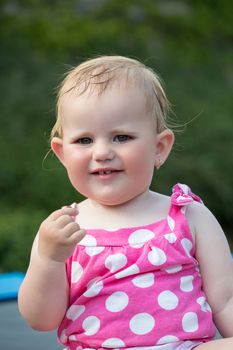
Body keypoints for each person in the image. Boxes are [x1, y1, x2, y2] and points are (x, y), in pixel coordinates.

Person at [18, 56, 233, 350]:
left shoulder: (189, 215)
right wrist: (49, 259)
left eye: (121, 137)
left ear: (159, 148)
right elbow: (40, 319)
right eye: (84, 140)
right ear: (62, 153)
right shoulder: (66, 230)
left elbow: (226, 300)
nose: (102, 152)